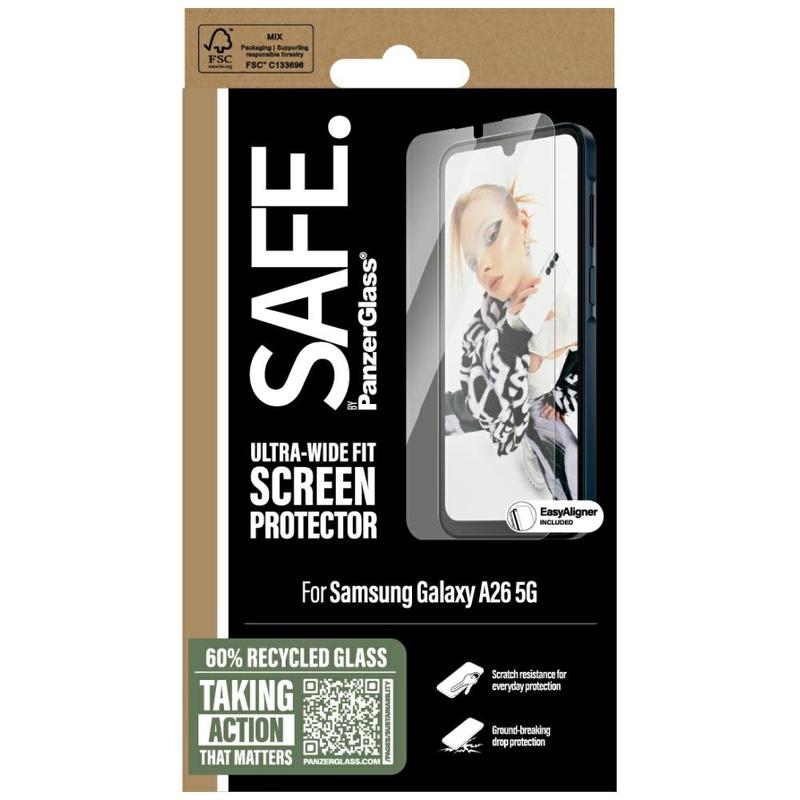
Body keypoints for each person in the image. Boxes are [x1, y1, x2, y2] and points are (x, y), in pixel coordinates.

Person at [443, 181, 578, 499]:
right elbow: (477, 385)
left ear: (523, 224)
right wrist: (510, 336)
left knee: (575, 477)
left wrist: (562, 394)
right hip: (484, 405)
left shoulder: (566, 308)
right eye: (473, 263)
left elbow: (583, 354)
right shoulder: (487, 316)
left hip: (539, 407)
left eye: (491, 236)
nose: (484, 266)